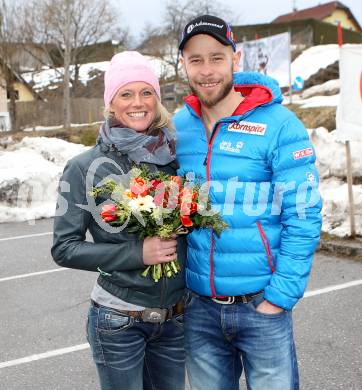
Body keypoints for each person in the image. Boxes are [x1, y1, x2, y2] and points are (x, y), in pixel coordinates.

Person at [174, 15, 322, 390]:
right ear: (183, 65)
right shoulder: (180, 126)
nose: (207, 71)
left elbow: (303, 216)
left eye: (216, 58)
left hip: (261, 307)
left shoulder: (279, 125)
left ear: (235, 59)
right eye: (195, 60)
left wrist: (280, 297)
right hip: (199, 310)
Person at [51, 51, 186, 390]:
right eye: (126, 93)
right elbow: (64, 248)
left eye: (146, 92)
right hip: (118, 321)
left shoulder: (173, 156)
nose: (137, 102)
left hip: (177, 318)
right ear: (110, 103)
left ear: (157, 98)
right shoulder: (84, 167)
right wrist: (138, 254)